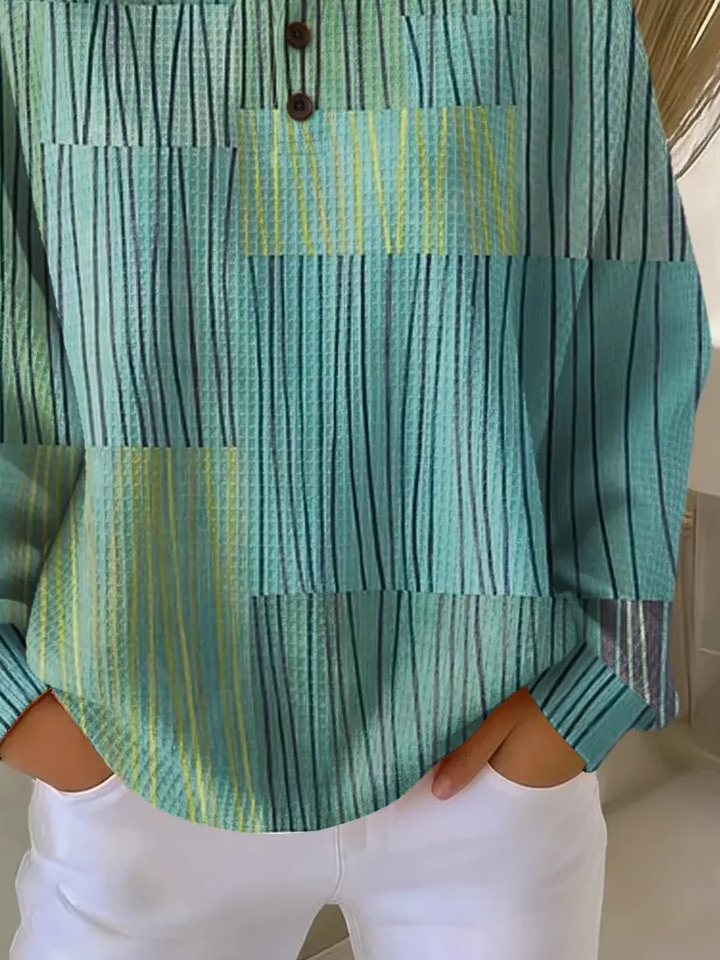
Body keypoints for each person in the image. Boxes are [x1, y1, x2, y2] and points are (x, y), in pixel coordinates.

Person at [0, 1, 715, 958]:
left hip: (488, 774)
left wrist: (599, 684)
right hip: (134, 756)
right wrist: (18, 705)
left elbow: (628, 324)